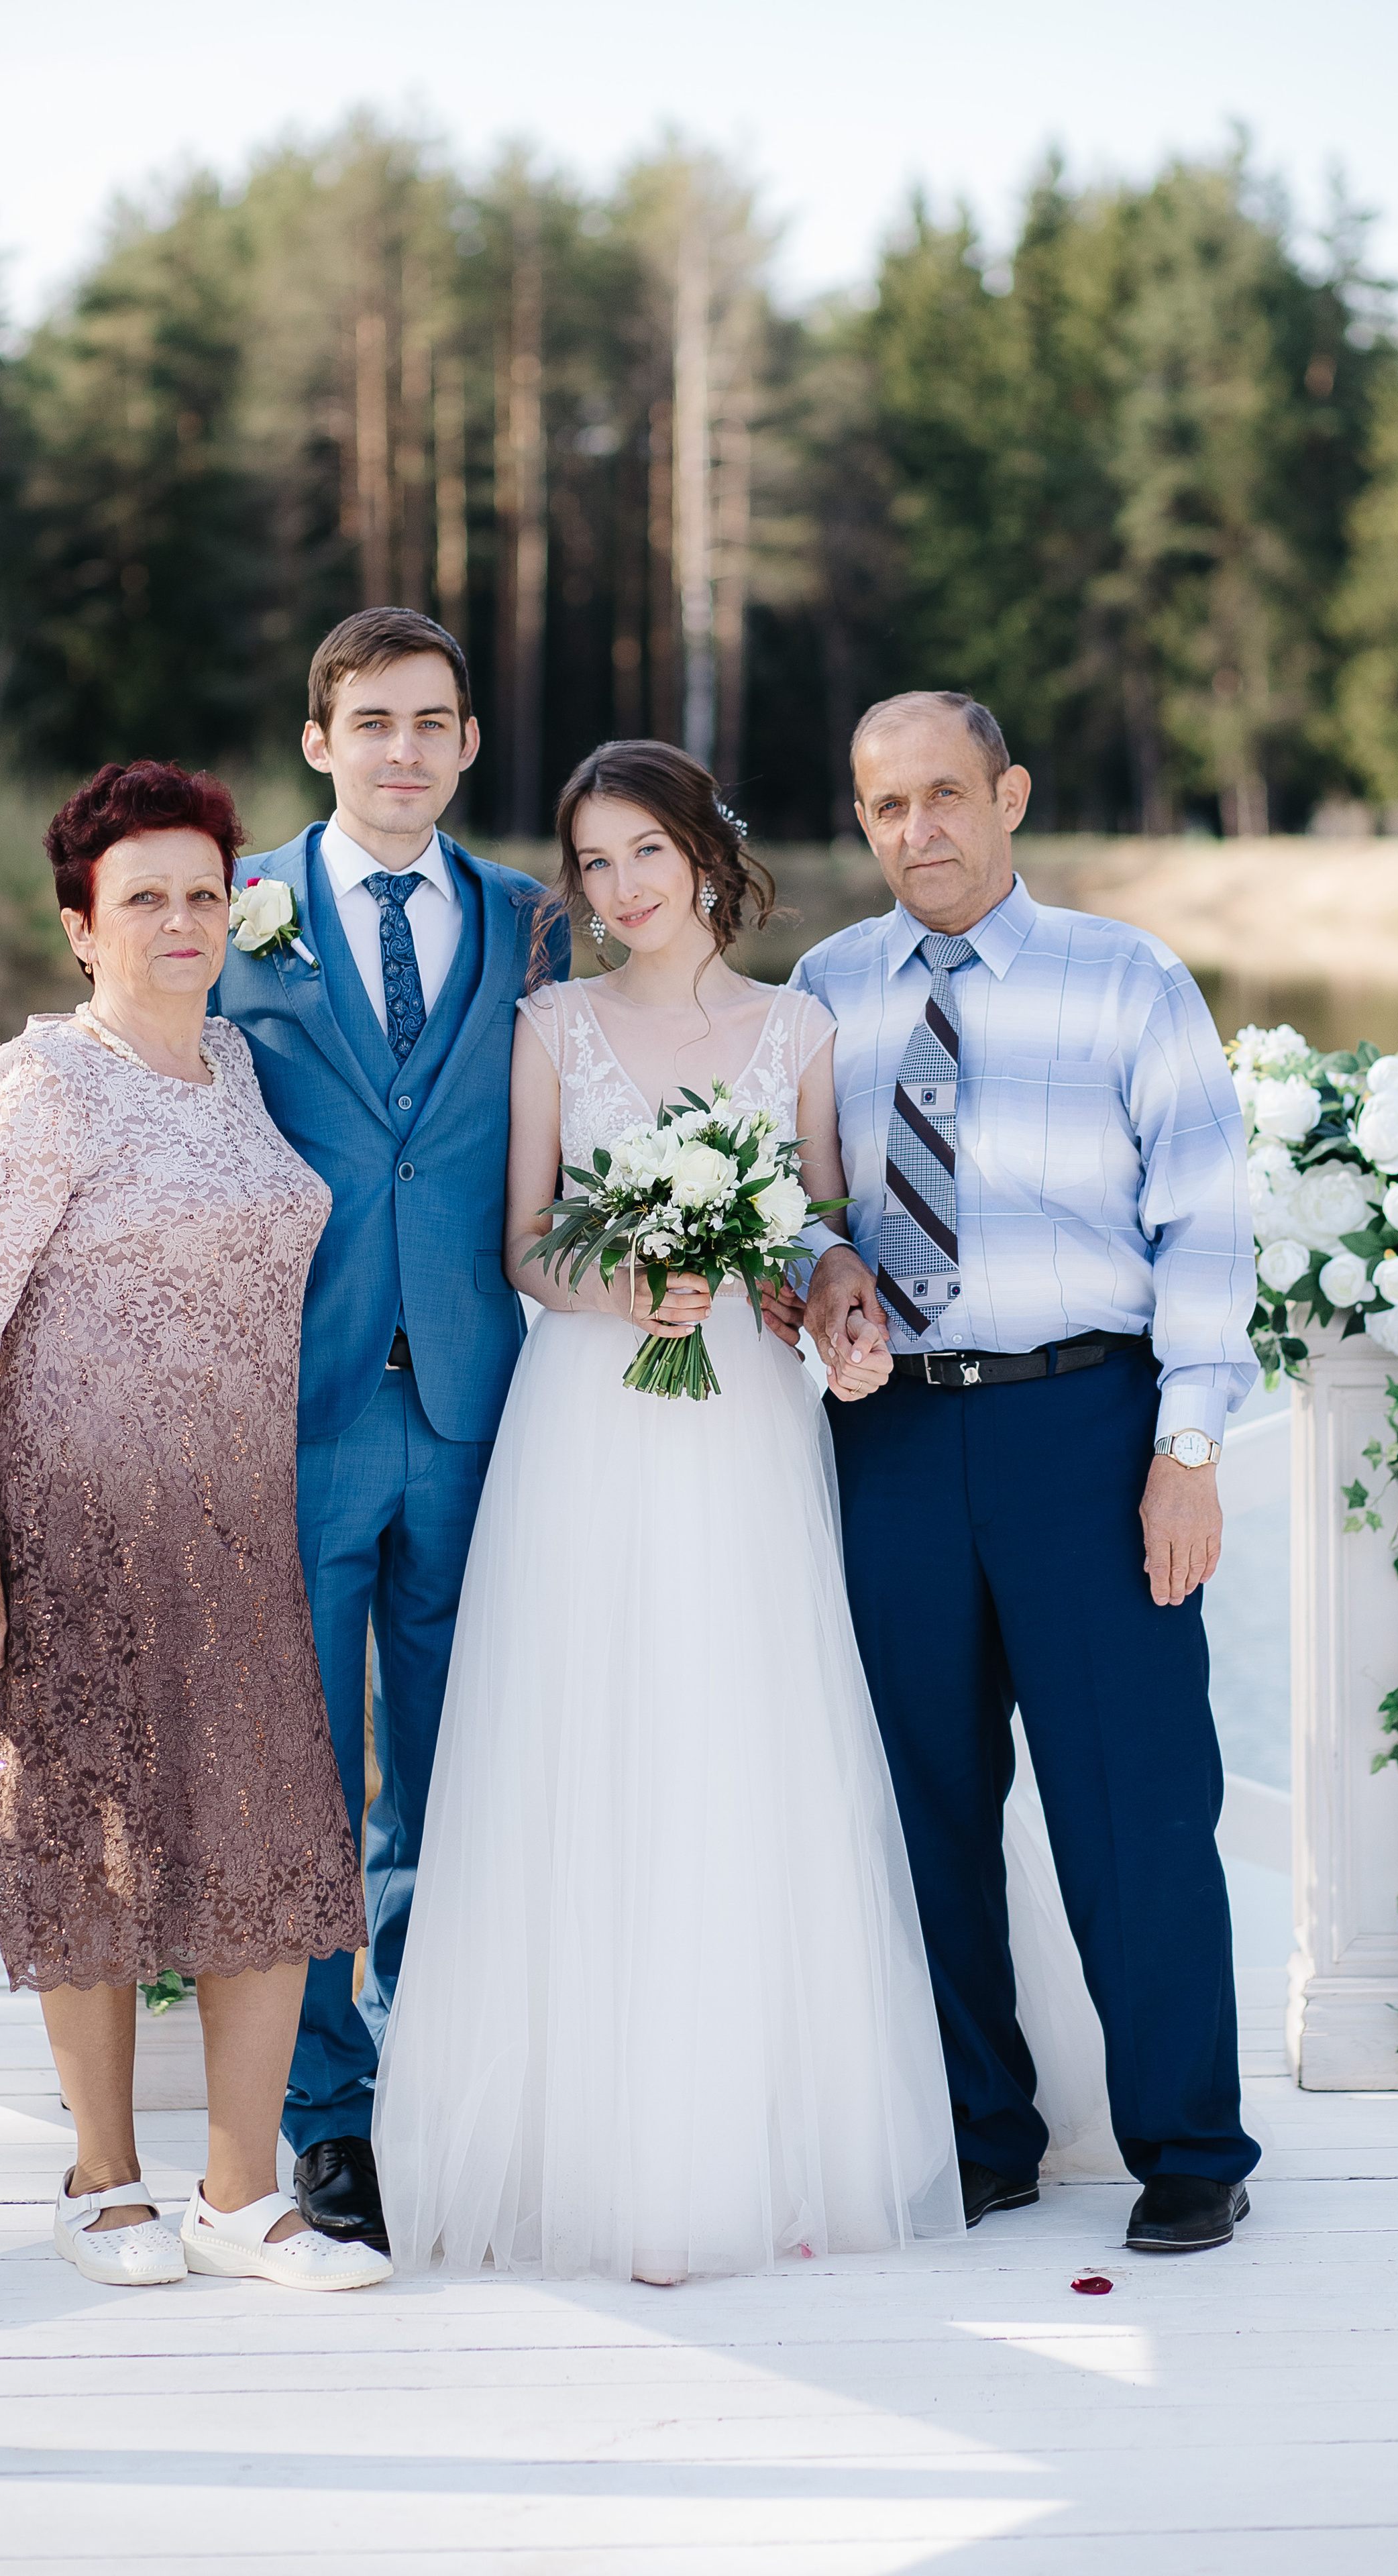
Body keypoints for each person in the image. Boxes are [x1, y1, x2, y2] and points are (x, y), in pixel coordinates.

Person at [370, 739, 965, 2284]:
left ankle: (754, 2139)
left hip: (747, 1436)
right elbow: (519, 1244)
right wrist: (617, 1281)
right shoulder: (549, 1026)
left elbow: (821, 1222)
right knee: (594, 1738)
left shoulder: (801, 1027)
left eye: (643, 852)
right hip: (588, 1423)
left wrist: (829, 1295)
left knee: (743, 1741)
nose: (619, 889)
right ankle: (588, 2146)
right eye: (592, 864)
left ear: (706, 853)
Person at [0, 760, 386, 2294]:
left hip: (237, 1527)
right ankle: (101, 2174)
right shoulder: (45, 1084)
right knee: (89, 1851)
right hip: (74, 1527)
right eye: (141, 899)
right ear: (80, 929)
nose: (178, 922)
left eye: (198, 892)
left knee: (272, 1847)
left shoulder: (235, 1067)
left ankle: (242, 2197)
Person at [793, 689, 1260, 2255]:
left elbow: (1202, 1226)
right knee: (920, 1803)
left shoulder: (1126, 981)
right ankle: (976, 2132)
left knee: (1134, 1799)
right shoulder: (824, 990)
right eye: (881, 808)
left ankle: (1188, 2143)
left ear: (1008, 795)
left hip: (1086, 1426)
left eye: (941, 796)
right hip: (892, 1433)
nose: (913, 833)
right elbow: (797, 1195)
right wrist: (823, 1263)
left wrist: (1184, 1450)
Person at [210, 610, 568, 2251]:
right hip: (299, 1408)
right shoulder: (235, 917)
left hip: (487, 1407)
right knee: (297, 1774)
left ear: (471, 743)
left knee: (456, 1765)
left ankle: (445, 2080)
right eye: (371, 723)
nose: (403, 751)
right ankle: (329, 2118)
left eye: (432, 722)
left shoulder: (529, 920)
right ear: (318, 742)